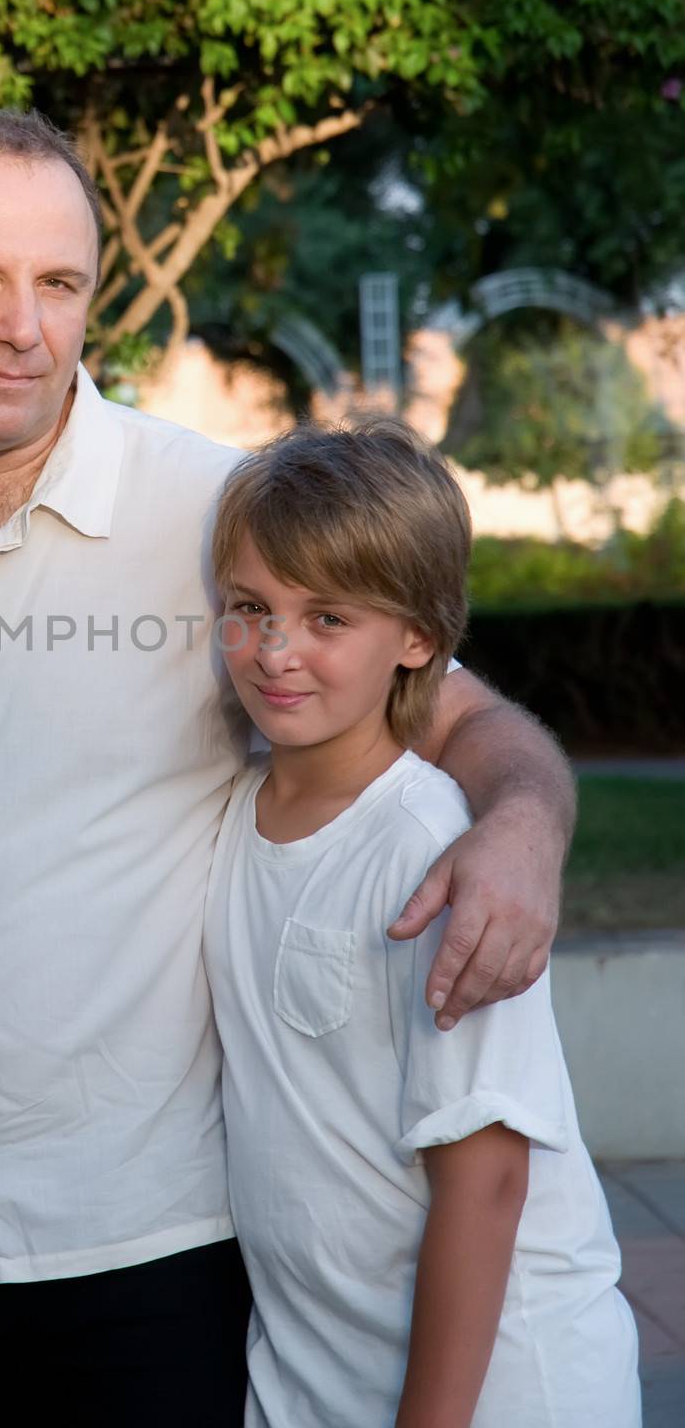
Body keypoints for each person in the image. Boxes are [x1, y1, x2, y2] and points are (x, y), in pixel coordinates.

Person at [0, 109, 576, 1428]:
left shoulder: (218, 520)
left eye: (58, 284)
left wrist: (520, 825)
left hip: (150, 1265)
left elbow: (460, 716)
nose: (25, 325)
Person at [203, 418, 640, 1428]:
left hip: (503, 1393)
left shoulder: (428, 847)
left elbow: (484, 1181)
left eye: (327, 619)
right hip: (319, 1375)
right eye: (250, 607)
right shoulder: (231, 818)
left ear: (419, 641)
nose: (276, 651)